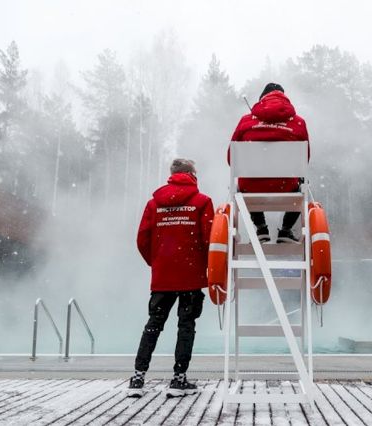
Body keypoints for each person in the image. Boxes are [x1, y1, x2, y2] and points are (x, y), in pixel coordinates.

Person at [128, 159, 214, 397]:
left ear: (172, 175)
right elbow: (209, 239)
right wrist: (204, 266)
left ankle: (137, 378)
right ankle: (178, 380)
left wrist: (157, 263)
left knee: (153, 325)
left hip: (163, 276)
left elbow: (142, 239)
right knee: (186, 326)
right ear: (192, 174)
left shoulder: (154, 203)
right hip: (191, 276)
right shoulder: (202, 202)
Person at [230, 82, 310, 243]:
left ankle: (261, 229)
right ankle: (286, 230)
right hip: (286, 187)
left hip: (250, 188)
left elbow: (231, 158)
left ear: (262, 99)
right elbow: (304, 160)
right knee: (303, 183)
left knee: (248, 180)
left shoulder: (245, 121)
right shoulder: (299, 122)